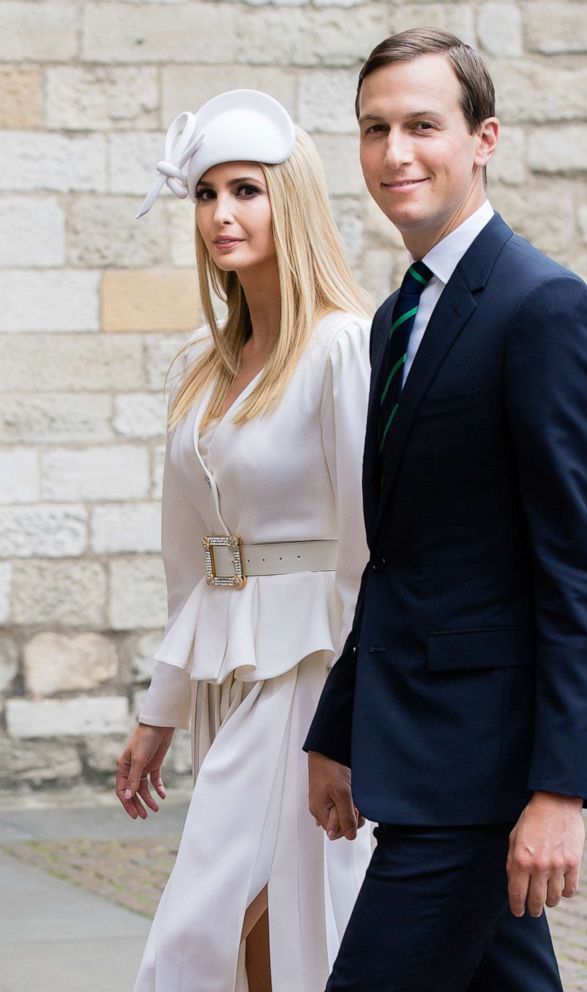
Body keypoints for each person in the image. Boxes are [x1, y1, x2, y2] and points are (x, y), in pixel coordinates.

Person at [304, 28, 587, 991]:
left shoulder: (543, 308)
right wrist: (339, 725)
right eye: (375, 129)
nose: (395, 152)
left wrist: (561, 792)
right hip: (417, 746)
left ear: (484, 139)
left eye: (422, 126)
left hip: (481, 778)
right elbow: (404, 555)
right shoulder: (399, 316)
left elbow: (580, 571)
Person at [115, 89, 372, 992]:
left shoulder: (344, 348)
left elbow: (365, 549)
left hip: (309, 673)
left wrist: (351, 713)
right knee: (270, 934)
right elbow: (188, 561)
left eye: (246, 191)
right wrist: (161, 709)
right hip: (226, 674)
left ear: (289, 200)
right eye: (205, 193)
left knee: (201, 927)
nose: (221, 214)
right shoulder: (200, 365)